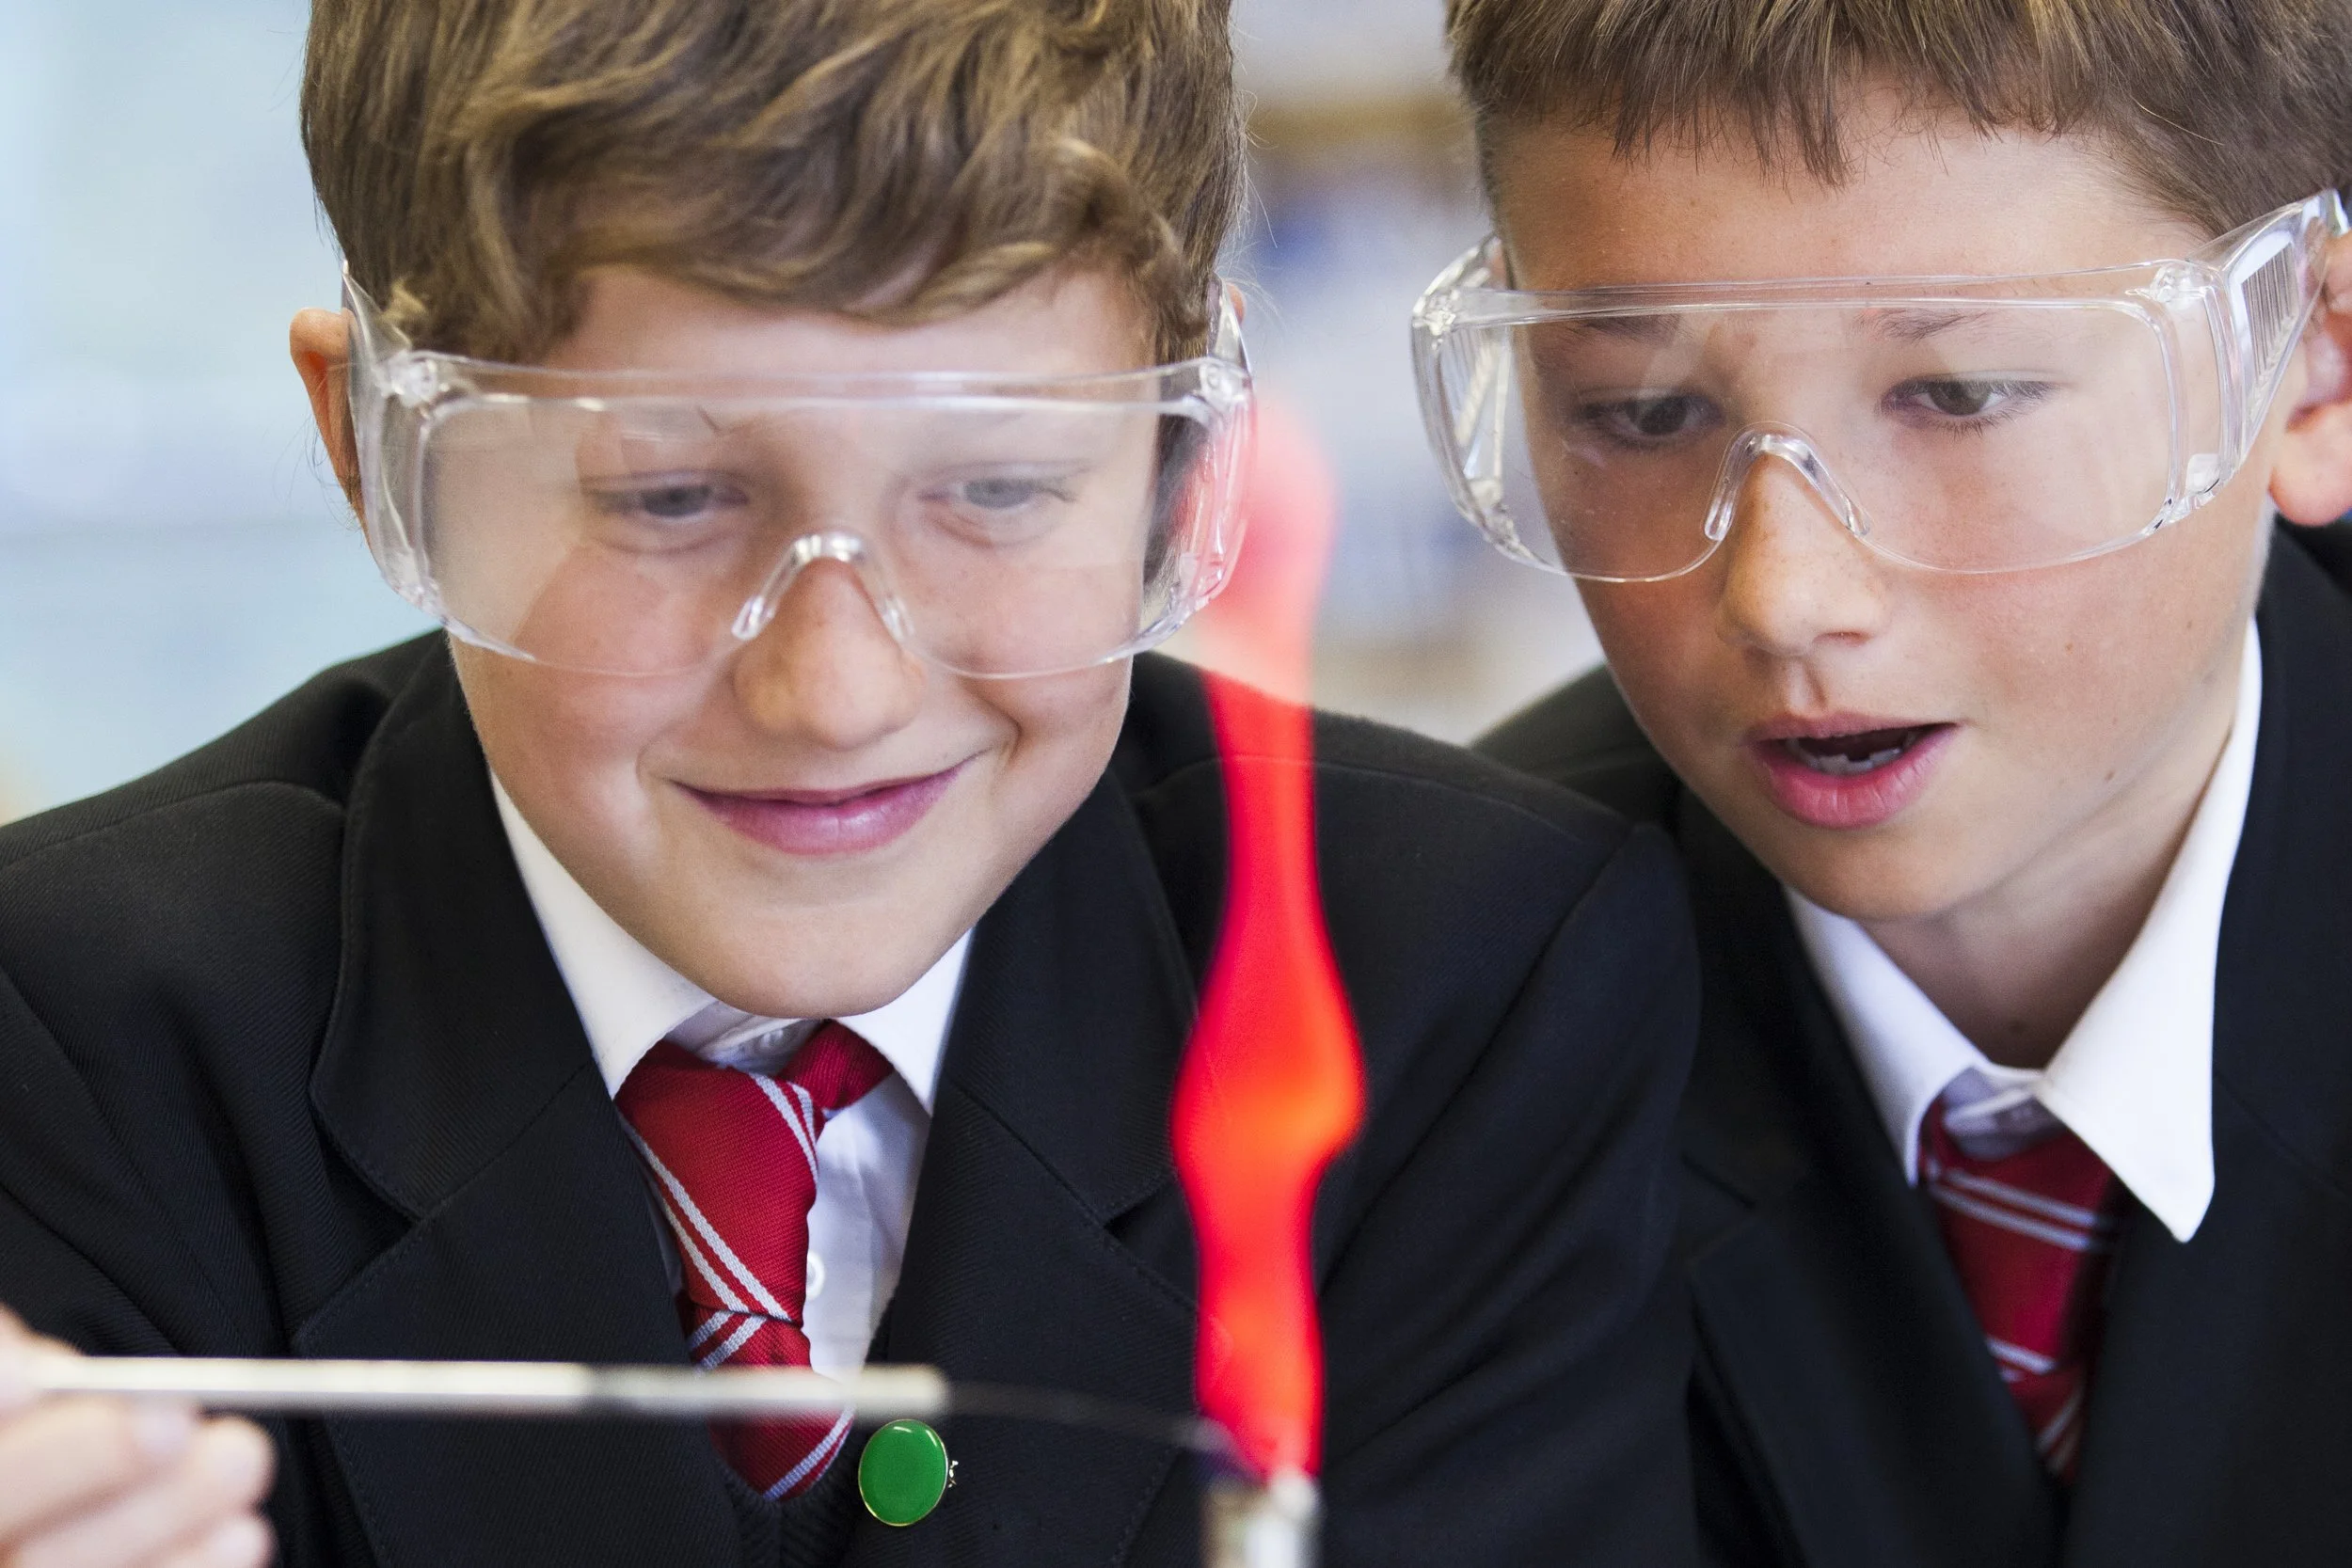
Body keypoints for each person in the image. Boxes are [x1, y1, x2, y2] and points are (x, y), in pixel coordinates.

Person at [0, 2, 1704, 1564]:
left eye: (997, 487)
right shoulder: (74, 1035)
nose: (834, 689)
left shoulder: (1464, 983)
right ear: (374, 447)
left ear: (1181, 452)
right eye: (667, 498)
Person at [1414, 0, 2352, 1563]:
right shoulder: (1446, 1037)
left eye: (1960, 393)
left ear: (2312, 368)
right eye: (1642, 411)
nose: (1784, 595)